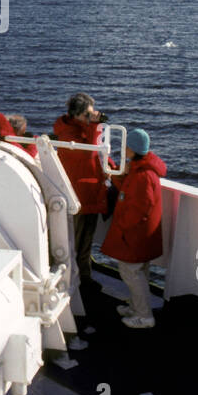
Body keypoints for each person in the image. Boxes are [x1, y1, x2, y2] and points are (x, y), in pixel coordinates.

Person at [101, 129, 165, 329]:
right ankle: (138, 308)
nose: (124, 149)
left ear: (133, 150)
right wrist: (114, 175)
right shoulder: (140, 169)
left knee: (130, 272)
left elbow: (140, 208)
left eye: (126, 146)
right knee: (139, 272)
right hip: (140, 235)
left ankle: (144, 316)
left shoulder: (143, 175)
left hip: (134, 235)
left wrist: (122, 226)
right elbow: (130, 189)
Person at [53, 93, 108, 288]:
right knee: (76, 243)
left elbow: (98, 153)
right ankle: (77, 282)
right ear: (75, 115)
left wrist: (109, 167)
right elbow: (88, 154)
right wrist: (94, 126)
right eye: (87, 115)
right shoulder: (68, 134)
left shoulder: (84, 128)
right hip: (78, 195)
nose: (90, 118)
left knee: (86, 242)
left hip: (90, 192)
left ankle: (84, 279)